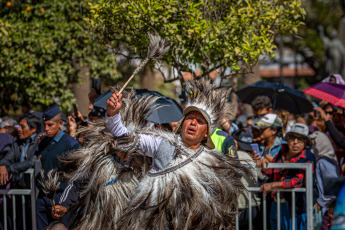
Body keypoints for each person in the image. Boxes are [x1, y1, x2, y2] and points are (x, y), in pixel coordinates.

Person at [105, 79, 247, 229]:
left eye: (199, 121)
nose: (192, 123)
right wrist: (113, 114)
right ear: (182, 123)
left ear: (206, 134)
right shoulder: (160, 142)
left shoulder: (211, 162)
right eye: (190, 118)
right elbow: (124, 137)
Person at [257, 123, 316, 230]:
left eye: (301, 139)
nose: (295, 142)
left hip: (295, 207)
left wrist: (272, 185)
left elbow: (297, 182)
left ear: (306, 142)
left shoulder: (308, 158)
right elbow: (270, 171)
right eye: (292, 137)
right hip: (276, 203)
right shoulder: (282, 152)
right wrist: (263, 163)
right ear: (287, 139)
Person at [36, 105, 80, 230]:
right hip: (43, 196)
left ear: (60, 123)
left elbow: (78, 173)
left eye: (50, 125)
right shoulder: (43, 141)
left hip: (62, 196)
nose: (46, 128)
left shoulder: (71, 143)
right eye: (44, 125)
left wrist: (67, 201)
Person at [309, 131, 341, 228]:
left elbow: (331, 187)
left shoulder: (324, 162)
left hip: (327, 208)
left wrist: (320, 203)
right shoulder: (326, 160)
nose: (311, 147)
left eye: (313, 143)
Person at [0, 114, 40, 187]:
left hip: (33, 188)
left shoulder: (40, 141)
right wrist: (2, 166)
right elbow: (8, 158)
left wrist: (9, 168)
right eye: (19, 126)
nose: (19, 129)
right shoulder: (17, 141)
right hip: (18, 187)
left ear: (33, 129)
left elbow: (31, 162)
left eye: (23, 127)